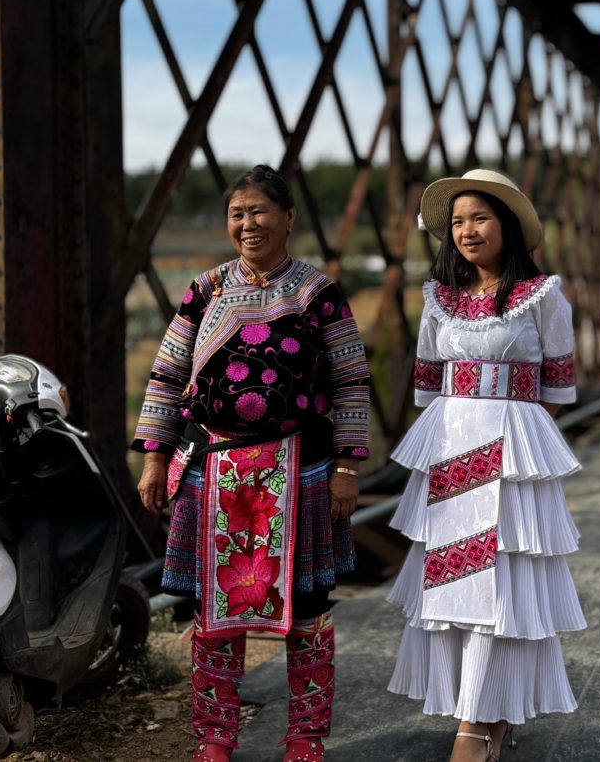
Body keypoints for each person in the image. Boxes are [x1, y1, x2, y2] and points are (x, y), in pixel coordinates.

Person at [133, 164, 370, 762]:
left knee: (308, 610)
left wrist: (347, 466)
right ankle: (215, 738)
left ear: (288, 218)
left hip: (302, 472)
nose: (248, 224)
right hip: (215, 470)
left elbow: (350, 381)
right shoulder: (206, 290)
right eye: (237, 214)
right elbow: (166, 377)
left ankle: (306, 738)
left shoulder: (318, 292)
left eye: (260, 212)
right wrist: (155, 458)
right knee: (213, 609)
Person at [386, 168, 586, 762]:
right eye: (457, 222)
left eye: (479, 218)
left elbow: (557, 385)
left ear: (506, 225)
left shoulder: (543, 296)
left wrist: (514, 432)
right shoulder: (437, 300)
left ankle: (475, 724)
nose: (467, 231)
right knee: (454, 584)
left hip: (511, 453)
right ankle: (481, 714)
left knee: (502, 582)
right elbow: (427, 384)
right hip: (449, 449)